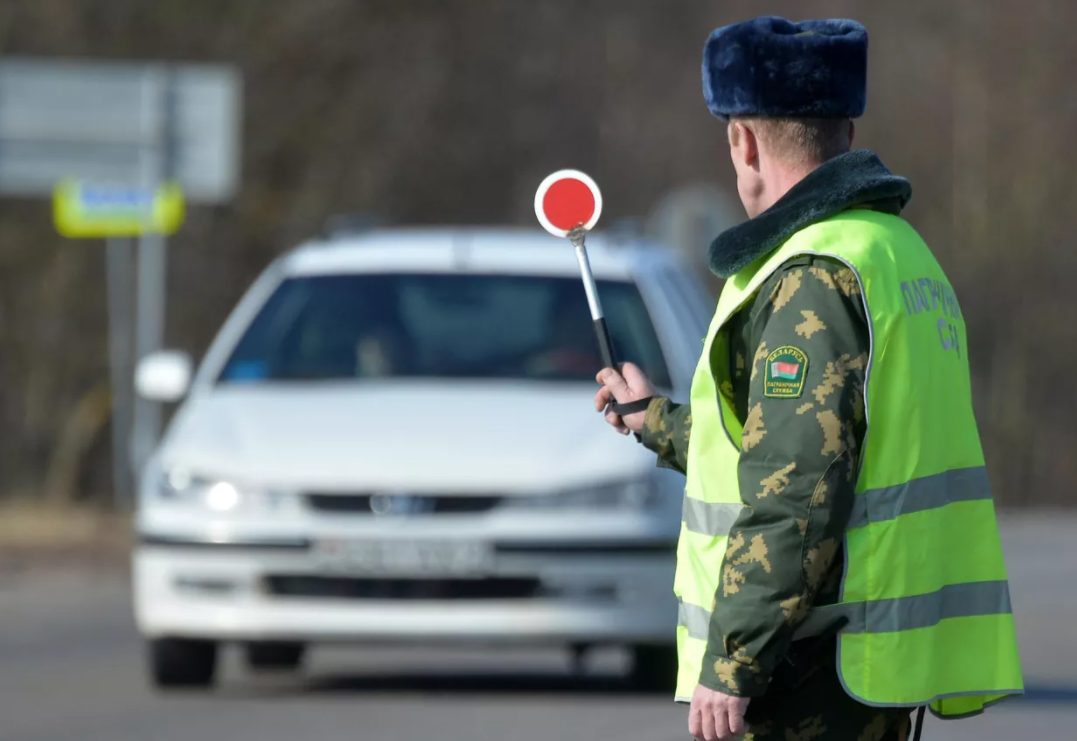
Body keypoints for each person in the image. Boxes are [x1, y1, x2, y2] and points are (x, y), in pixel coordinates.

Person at [594, 16, 1022, 741]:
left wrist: (732, 660)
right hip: (869, 659)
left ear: (744, 141)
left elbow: (796, 485)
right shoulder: (894, 253)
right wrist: (655, 419)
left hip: (806, 671)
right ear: (845, 134)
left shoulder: (811, 278)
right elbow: (791, 440)